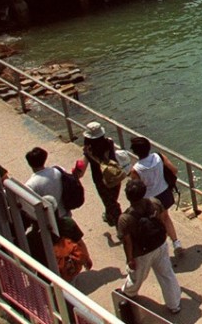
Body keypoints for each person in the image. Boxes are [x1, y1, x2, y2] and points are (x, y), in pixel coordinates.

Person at [117, 179, 181, 314]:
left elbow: (127, 242)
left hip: (141, 252)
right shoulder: (155, 203)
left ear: (128, 196)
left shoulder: (124, 219)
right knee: (166, 274)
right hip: (160, 244)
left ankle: (127, 292)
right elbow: (162, 220)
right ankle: (174, 304)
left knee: (137, 277)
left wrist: (130, 259)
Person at [129, 137, 182, 256]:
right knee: (166, 217)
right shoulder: (159, 157)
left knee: (156, 223)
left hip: (150, 200)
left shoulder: (136, 169)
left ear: (135, 152)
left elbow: (138, 189)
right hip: (164, 193)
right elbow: (174, 170)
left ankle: (162, 247)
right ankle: (176, 243)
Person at [82, 121, 123, 226]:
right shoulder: (109, 142)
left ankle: (119, 223)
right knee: (113, 197)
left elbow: (83, 165)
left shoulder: (88, 150)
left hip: (99, 177)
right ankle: (110, 216)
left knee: (109, 200)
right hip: (114, 173)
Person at [25, 147, 66, 217]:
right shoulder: (58, 171)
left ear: (29, 164)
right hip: (65, 213)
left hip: (48, 220)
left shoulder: (30, 185)